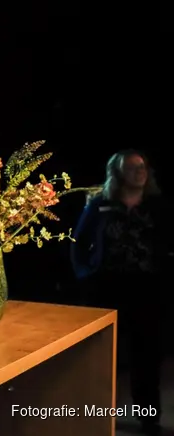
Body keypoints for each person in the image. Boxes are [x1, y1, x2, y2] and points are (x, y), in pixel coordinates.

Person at [71, 149, 170, 435]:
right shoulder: (101, 203)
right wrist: (84, 274)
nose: (140, 172)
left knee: (147, 356)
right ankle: (99, 414)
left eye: (143, 167)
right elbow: (78, 242)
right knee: (105, 355)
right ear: (117, 172)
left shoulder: (158, 206)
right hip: (107, 288)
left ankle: (148, 417)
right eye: (133, 167)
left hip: (148, 289)